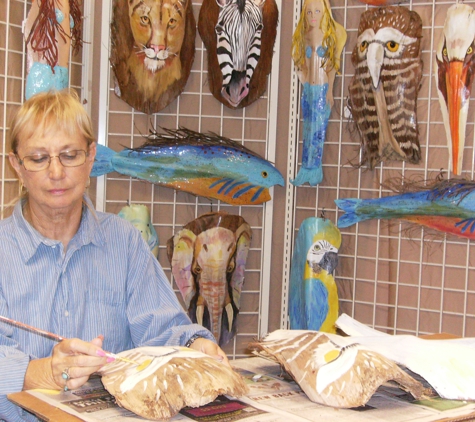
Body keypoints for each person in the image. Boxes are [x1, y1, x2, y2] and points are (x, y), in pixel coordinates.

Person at [0, 90, 228, 421]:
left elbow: (163, 328)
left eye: (70, 155)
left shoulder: (124, 242)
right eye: (38, 158)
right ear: (16, 166)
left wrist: (194, 344)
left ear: (91, 157)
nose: (56, 172)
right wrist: (40, 372)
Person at [290, 0, 346, 186]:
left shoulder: (329, 37)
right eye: (309, 13)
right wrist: (304, 80)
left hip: (322, 89)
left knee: (318, 131)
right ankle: (305, 168)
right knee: (308, 129)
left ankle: (314, 169)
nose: (313, 16)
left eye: (317, 11)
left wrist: (329, 89)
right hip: (309, 90)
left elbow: (331, 67)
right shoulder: (303, 37)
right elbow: (299, 63)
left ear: (324, 12)